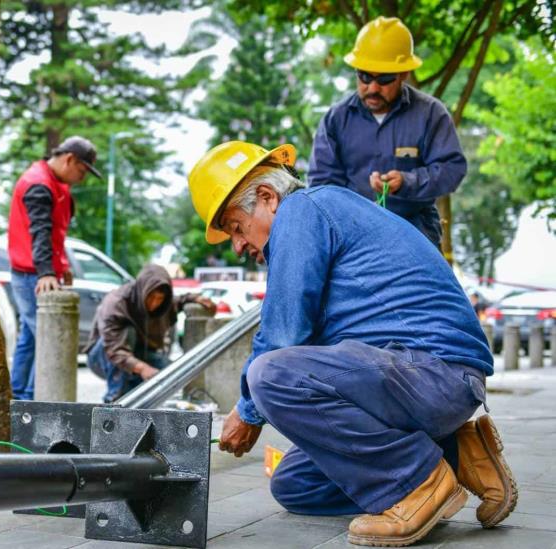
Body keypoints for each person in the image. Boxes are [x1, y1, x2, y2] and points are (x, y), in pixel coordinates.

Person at [187, 141, 517, 547]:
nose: (238, 246)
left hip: (435, 373)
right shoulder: (321, 214)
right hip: (430, 382)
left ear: (268, 198)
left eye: (236, 227)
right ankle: (457, 452)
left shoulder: (301, 212)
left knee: (268, 375)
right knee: (294, 485)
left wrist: (247, 410)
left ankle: (418, 484)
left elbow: (283, 335)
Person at [308, 16, 467, 248]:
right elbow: (322, 187)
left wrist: (407, 182)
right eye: (364, 76)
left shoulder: (431, 114)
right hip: (353, 237)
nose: (372, 88)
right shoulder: (335, 120)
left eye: (384, 79)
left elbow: (452, 170)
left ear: (403, 74)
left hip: (416, 233)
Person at [7, 136, 102, 400]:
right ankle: (35, 400)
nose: (82, 178)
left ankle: (19, 395)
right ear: (69, 159)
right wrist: (47, 272)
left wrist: (61, 265)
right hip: (31, 275)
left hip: (37, 272)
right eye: (81, 171)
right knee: (47, 337)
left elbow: (57, 234)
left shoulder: (55, 184)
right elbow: (39, 232)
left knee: (30, 336)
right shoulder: (38, 184)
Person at [85, 264, 216, 403]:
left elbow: (178, 301)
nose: (154, 303)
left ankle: (136, 398)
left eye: (159, 299)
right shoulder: (117, 302)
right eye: (151, 297)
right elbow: (113, 348)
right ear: (143, 290)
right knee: (129, 333)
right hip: (104, 356)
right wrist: (142, 368)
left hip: (140, 353)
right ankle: (115, 399)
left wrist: (195, 298)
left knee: (170, 372)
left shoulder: (165, 304)